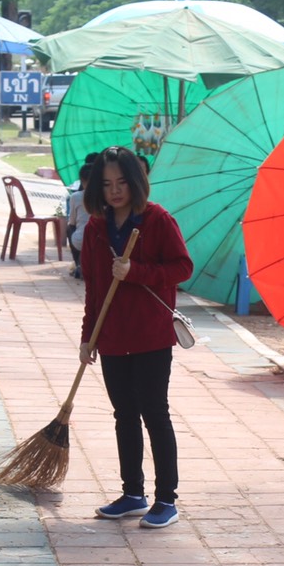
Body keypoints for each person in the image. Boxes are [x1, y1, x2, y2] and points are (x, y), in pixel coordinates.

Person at [79, 146, 194, 530]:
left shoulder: (157, 219)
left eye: (122, 183)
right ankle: (132, 494)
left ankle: (166, 500)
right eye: (107, 184)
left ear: (136, 182)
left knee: (154, 414)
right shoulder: (97, 227)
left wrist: (136, 271)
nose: (115, 191)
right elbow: (95, 287)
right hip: (112, 336)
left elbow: (182, 267)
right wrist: (88, 337)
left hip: (151, 336)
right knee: (123, 415)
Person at [65, 151, 100, 281]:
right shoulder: (107, 195)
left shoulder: (75, 197)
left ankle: (79, 264)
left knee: (70, 229)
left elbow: (72, 223)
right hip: (101, 239)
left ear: (82, 180)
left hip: (81, 240)